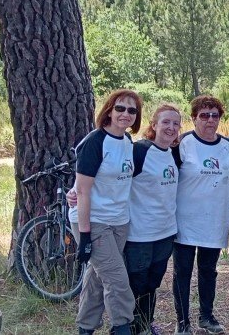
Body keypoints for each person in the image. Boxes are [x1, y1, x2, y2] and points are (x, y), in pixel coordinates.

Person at [74, 90, 139, 335]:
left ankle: (85, 328)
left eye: (132, 110)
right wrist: (84, 236)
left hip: (119, 222)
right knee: (117, 281)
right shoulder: (95, 141)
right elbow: (82, 191)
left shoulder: (127, 142)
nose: (126, 114)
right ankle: (122, 328)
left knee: (97, 280)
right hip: (94, 220)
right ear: (109, 110)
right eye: (120, 108)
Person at [173, 96, 229, 335]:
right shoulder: (183, 143)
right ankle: (182, 322)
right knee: (183, 272)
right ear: (194, 118)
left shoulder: (226, 145)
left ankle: (206, 316)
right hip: (186, 219)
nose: (210, 120)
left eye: (215, 115)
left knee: (208, 270)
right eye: (204, 115)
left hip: (215, 219)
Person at [126, 103, 182, 335]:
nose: (171, 127)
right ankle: (125, 326)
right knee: (135, 284)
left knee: (152, 284)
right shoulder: (139, 151)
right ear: (154, 125)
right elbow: (114, 179)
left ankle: (145, 325)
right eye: (166, 122)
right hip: (140, 234)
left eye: (175, 124)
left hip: (166, 232)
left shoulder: (174, 154)